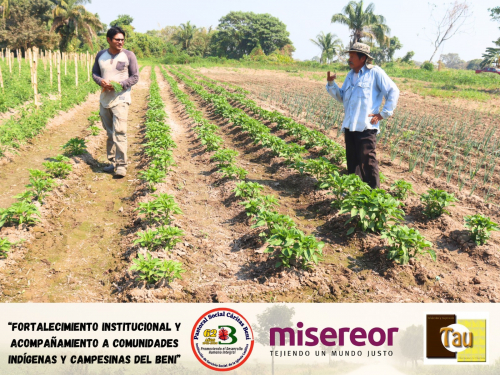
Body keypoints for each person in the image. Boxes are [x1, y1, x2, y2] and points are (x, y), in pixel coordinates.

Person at [326, 42, 399, 189]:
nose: (350, 59)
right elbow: (341, 97)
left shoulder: (375, 73)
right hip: (350, 125)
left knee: (368, 160)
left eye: (352, 56)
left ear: (363, 58)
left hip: (366, 126)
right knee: (352, 161)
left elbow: (393, 91)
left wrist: (383, 114)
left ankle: (373, 193)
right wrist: (331, 83)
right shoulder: (350, 75)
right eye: (349, 55)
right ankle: (354, 191)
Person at [92, 26, 139, 177]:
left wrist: (120, 85)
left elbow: (135, 77)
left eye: (122, 40)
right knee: (110, 132)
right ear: (108, 40)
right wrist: (101, 82)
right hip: (105, 99)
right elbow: (95, 73)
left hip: (121, 98)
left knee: (120, 131)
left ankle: (122, 166)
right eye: (117, 40)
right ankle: (113, 162)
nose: (120, 42)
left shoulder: (129, 55)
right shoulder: (100, 55)